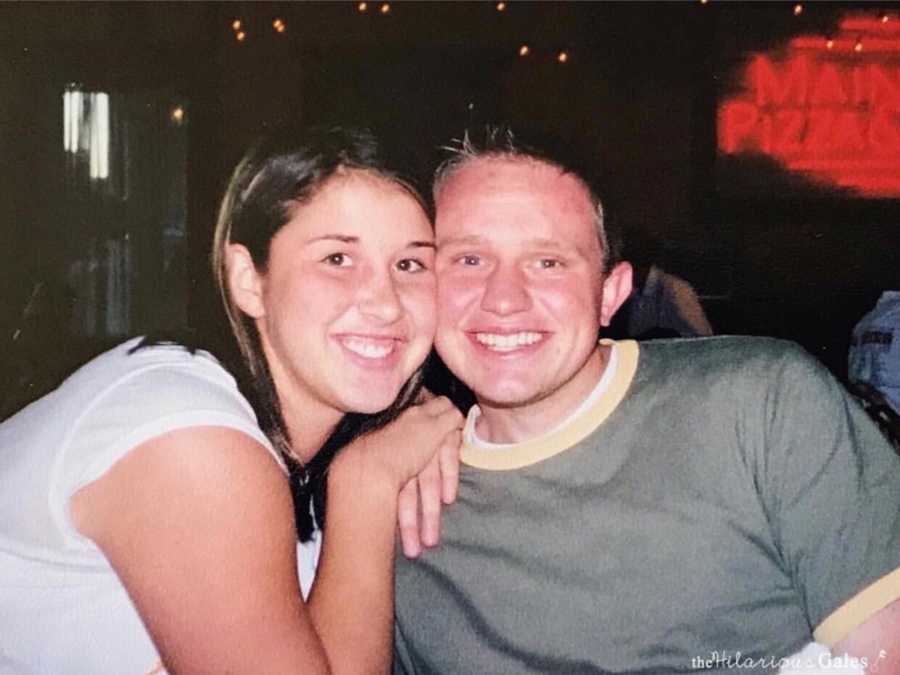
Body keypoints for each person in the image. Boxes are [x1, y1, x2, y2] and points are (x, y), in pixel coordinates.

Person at [393, 126, 900, 674]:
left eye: (548, 262)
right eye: (469, 260)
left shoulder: (761, 402)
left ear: (611, 293)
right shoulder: (393, 496)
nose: (505, 299)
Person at [0, 125, 463, 674]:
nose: (385, 303)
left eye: (410, 265)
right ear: (248, 279)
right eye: (338, 259)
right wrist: (367, 486)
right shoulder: (186, 434)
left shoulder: (315, 438)